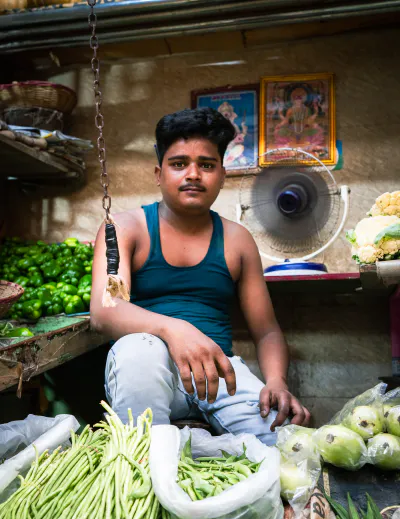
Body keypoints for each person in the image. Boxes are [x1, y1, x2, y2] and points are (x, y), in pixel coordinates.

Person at [90, 107, 310, 445]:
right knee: (137, 348)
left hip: (220, 374)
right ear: (158, 174)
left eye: (206, 165)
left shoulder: (237, 240)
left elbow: (266, 331)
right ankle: (141, 463)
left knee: (288, 443)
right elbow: (107, 310)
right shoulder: (122, 228)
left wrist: (277, 381)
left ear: (222, 176)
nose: (193, 174)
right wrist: (174, 329)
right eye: (178, 164)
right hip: (147, 371)